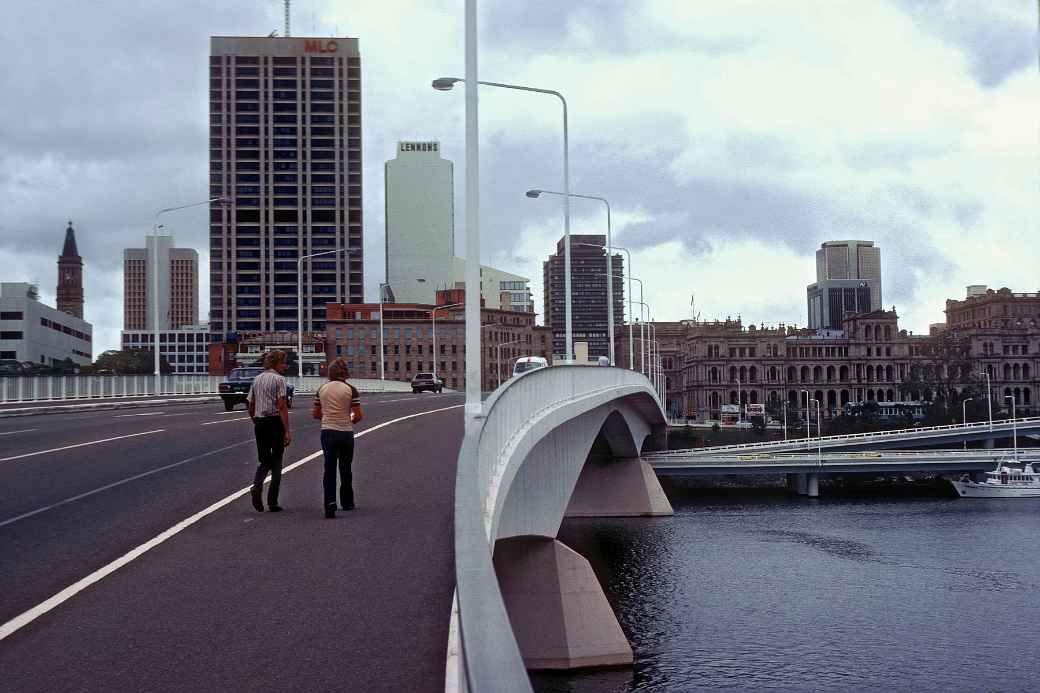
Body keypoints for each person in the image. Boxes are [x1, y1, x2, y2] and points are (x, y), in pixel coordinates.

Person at [312, 357, 363, 519]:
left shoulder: (322, 389)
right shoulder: (351, 389)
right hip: (345, 432)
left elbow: (316, 414)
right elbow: (359, 415)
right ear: (345, 372)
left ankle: (330, 504)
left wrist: (328, 419)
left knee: (329, 468)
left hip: (328, 431)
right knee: (345, 467)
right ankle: (347, 502)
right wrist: (349, 420)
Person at [247, 349, 292, 512]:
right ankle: (272, 501)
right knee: (277, 461)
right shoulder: (279, 380)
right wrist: (286, 430)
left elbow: (251, 406)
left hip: (260, 423)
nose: (285, 366)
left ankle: (257, 486)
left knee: (264, 460)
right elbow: (281, 406)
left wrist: (256, 421)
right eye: (283, 363)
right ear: (276, 363)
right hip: (274, 422)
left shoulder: (257, 379)